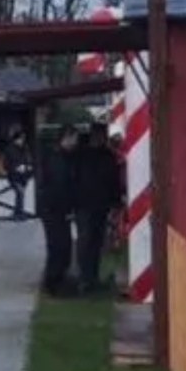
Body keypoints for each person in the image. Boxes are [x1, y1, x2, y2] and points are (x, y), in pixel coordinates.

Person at [70, 123, 125, 295]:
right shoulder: (82, 155)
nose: (101, 138)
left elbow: (114, 181)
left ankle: (91, 277)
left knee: (96, 242)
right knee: (86, 241)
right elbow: (74, 179)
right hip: (84, 205)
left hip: (99, 205)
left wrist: (115, 201)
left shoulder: (106, 156)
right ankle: (85, 278)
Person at [37, 126, 81, 295]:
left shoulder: (60, 156)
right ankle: (54, 281)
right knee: (58, 245)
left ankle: (58, 278)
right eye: (75, 138)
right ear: (67, 137)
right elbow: (59, 185)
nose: (76, 142)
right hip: (54, 209)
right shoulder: (58, 159)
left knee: (62, 245)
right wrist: (66, 209)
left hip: (56, 208)